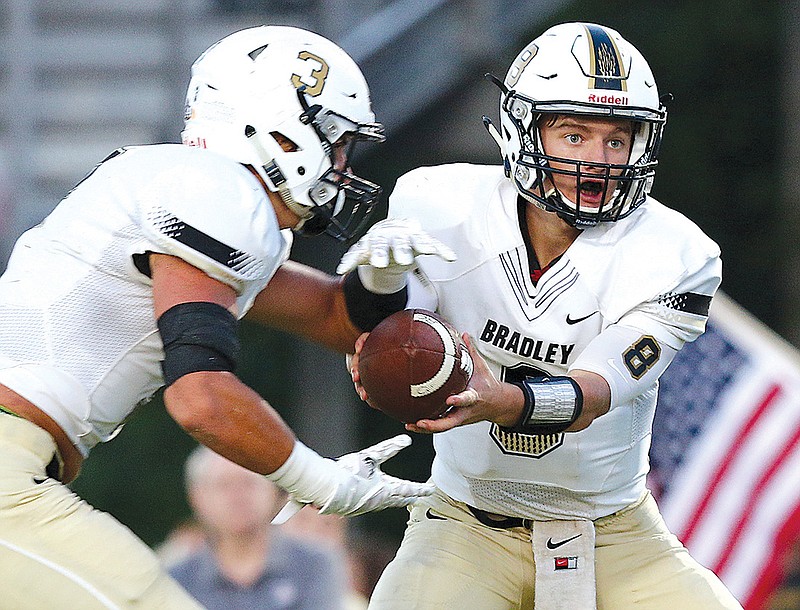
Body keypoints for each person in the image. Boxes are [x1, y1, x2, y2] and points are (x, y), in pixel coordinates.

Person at [0, 25, 454, 609]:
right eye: (335, 142)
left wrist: (381, 281)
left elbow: (334, 318)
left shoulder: (192, 191)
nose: (341, 165)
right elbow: (201, 399)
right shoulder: (215, 195)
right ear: (278, 133)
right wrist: (321, 483)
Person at [339, 22, 744, 609]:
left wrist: (497, 397)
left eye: (617, 139)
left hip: (614, 534)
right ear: (521, 130)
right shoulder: (440, 204)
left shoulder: (677, 255)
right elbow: (393, 333)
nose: (598, 161)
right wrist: (376, 285)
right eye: (574, 136)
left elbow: (598, 389)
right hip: (465, 525)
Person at [169, 445, 351, 610]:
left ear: (273, 492)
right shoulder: (177, 578)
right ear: (197, 497)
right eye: (224, 486)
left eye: (248, 483)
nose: (238, 497)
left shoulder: (316, 564)